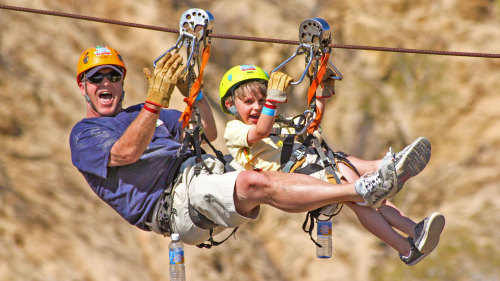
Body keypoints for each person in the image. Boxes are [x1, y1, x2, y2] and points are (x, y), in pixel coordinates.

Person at [70, 45, 404, 257]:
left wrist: (195, 96)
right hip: (175, 203)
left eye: (112, 76)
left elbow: (209, 132)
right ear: (83, 87)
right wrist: (156, 103)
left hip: (206, 171)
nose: (105, 84)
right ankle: (358, 189)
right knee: (252, 183)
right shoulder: (85, 135)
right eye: (96, 78)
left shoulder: (144, 112)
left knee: (297, 155)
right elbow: (126, 153)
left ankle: (401, 230)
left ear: (121, 82)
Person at [219, 64, 445, 265]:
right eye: (248, 102)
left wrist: (320, 94)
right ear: (230, 105)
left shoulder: (278, 123)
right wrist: (272, 100)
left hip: (315, 165)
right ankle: (389, 175)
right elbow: (261, 131)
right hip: (294, 179)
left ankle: (412, 233)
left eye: (261, 100)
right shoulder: (235, 129)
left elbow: (311, 125)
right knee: (360, 193)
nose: (257, 108)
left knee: (360, 186)